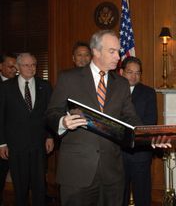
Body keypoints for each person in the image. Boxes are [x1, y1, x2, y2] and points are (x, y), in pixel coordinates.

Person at [46, 30, 168, 206]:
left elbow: (131, 118)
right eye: (112, 51)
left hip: (112, 172)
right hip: (77, 171)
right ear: (96, 51)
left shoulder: (121, 83)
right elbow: (51, 112)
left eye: (118, 51)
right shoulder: (69, 78)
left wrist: (148, 137)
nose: (118, 56)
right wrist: (62, 122)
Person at [0, 53, 54, 206]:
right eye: (26, 65)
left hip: (39, 143)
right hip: (15, 145)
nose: (31, 68)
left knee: (39, 185)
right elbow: (1, 117)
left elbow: (50, 114)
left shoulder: (45, 85)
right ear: (17, 67)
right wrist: (1, 143)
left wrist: (50, 136)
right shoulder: (5, 87)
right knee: (20, 186)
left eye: (33, 65)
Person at [119, 56, 157, 206]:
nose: (134, 76)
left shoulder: (148, 92)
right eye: (130, 72)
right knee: (119, 195)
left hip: (140, 153)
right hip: (118, 153)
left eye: (138, 73)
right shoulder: (112, 91)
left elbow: (151, 121)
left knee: (142, 195)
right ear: (121, 72)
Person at [0, 53, 17, 206]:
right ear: (1, 66)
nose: (14, 70)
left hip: (18, 140)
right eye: (10, 66)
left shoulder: (20, 83)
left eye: (16, 66)